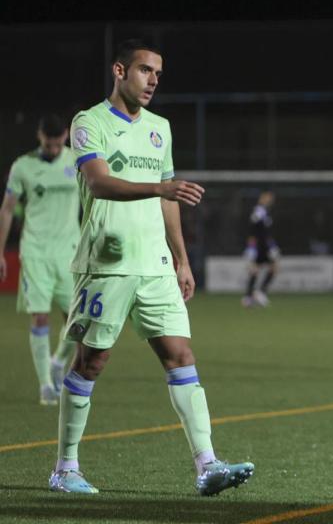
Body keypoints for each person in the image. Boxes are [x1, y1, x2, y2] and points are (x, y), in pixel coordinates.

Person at [49, 39, 254, 495]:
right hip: (107, 263)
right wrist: (160, 189)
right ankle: (65, 468)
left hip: (156, 266)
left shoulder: (160, 127)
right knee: (92, 361)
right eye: (145, 70)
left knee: (181, 357)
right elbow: (99, 183)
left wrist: (181, 260)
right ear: (119, 70)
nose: (153, 80)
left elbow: (170, 204)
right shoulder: (89, 121)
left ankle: (207, 464)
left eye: (158, 73)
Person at [0, 114, 80, 405]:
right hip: (35, 251)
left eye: (58, 145)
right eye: (49, 145)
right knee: (40, 315)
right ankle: (46, 385)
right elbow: (8, 209)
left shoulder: (77, 161)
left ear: (67, 136)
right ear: (39, 136)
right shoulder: (23, 166)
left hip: (70, 253)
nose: (54, 150)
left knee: (76, 319)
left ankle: (59, 361)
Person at [242, 190, 279, 307]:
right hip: (260, 246)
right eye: (267, 197)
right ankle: (258, 293)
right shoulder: (259, 210)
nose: (270, 200)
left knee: (257, 270)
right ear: (262, 198)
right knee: (271, 268)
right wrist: (253, 244)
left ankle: (250, 296)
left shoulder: (264, 211)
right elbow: (254, 227)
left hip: (263, 245)